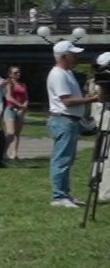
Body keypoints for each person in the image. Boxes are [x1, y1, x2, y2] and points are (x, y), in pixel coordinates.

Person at [46, 41, 89, 207]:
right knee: (61, 159)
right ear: (64, 56)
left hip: (69, 120)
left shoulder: (67, 73)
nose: (77, 57)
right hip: (63, 119)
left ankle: (65, 193)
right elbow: (68, 101)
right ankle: (58, 196)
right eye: (73, 54)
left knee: (67, 159)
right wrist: (92, 99)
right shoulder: (58, 74)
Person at [3, 65, 29, 162]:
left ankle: (15, 153)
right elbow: (8, 97)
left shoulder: (22, 85)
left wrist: (24, 106)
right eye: (15, 73)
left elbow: (26, 97)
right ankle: (3, 152)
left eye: (19, 72)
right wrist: (19, 105)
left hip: (20, 110)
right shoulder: (9, 83)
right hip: (10, 109)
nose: (18, 74)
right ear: (10, 74)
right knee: (11, 132)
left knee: (17, 134)